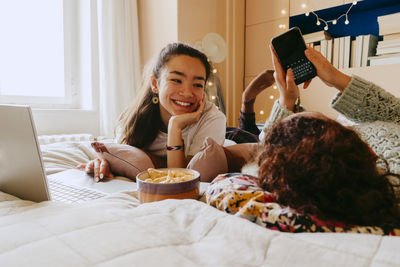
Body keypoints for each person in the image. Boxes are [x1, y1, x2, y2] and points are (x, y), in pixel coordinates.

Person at [206, 45, 400, 231]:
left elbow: (272, 156)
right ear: (369, 150)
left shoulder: (330, 174)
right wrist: (334, 77)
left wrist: (286, 101)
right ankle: (247, 106)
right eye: (330, 122)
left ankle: (246, 105)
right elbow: (395, 113)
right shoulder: (375, 159)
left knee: (238, 135)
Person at [79, 42, 226, 181]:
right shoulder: (134, 118)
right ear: (155, 84)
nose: (188, 93)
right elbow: (121, 153)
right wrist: (104, 162)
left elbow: (179, 178)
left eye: (198, 84)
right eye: (176, 80)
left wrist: (175, 126)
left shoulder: (213, 119)